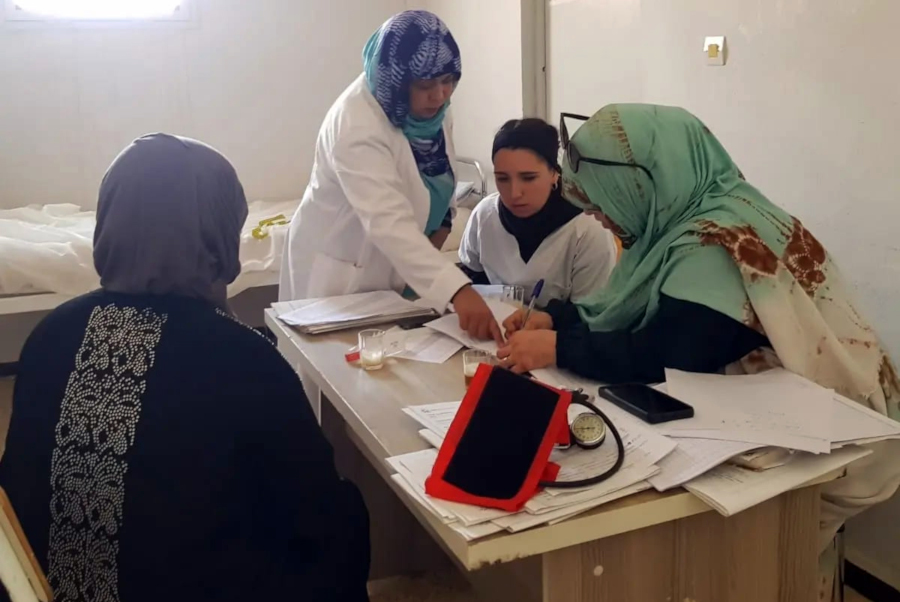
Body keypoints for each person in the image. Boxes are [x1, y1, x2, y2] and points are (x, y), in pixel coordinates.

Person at [498, 104, 900, 601]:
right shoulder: (689, 220)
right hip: (775, 421)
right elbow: (629, 307)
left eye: (604, 206)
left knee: (761, 568)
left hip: (831, 445)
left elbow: (667, 353)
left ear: (643, 184)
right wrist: (556, 318)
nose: (600, 221)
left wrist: (557, 345)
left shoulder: (716, 242)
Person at [0, 134, 371, 602]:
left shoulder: (52, 334)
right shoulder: (244, 359)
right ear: (217, 237)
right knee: (345, 515)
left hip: (43, 587)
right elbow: (313, 512)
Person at [279, 10, 502, 343]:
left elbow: (438, 172)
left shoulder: (432, 111)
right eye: (426, 85)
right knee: (334, 370)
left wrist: (442, 222)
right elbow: (388, 221)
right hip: (342, 270)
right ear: (396, 80)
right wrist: (457, 290)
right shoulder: (356, 125)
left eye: (448, 81)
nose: (440, 95)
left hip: (400, 264)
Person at [458, 118, 617, 304]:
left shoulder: (588, 228)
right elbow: (470, 279)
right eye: (502, 179)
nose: (514, 193)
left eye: (528, 178)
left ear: (554, 173)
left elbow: (593, 315)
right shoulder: (484, 215)